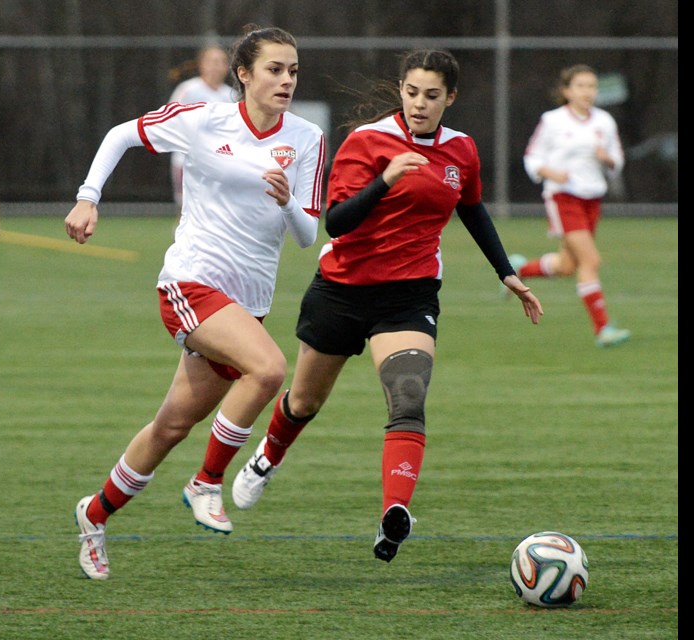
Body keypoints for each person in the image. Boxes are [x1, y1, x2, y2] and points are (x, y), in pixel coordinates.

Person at [230, 49, 543, 564]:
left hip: (409, 296)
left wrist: (506, 272)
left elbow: (472, 208)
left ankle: (394, 514)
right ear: (401, 89)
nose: (420, 105)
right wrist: (387, 180)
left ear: (451, 98)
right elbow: (337, 223)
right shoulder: (367, 141)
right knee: (304, 402)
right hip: (342, 290)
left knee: (409, 397)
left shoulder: (461, 150)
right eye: (413, 92)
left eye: (433, 96)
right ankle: (267, 457)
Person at [65, 25, 326, 580]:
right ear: (245, 75)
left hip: (246, 303)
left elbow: (307, 233)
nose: (286, 79)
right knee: (269, 368)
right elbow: (120, 135)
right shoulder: (203, 120)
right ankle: (206, 482)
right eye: (275, 69)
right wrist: (89, 199)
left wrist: (286, 203)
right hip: (191, 282)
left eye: (294, 70)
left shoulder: (306, 137)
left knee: (170, 427)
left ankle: (94, 513)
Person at [511, 64, 629, 348]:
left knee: (567, 266)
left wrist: (608, 159)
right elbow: (532, 158)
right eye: (581, 86)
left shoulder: (604, 122)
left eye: (592, 86)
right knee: (591, 261)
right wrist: (551, 173)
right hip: (563, 197)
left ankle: (519, 272)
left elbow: (617, 160)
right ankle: (603, 329)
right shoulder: (552, 121)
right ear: (566, 91)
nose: (588, 91)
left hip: (591, 199)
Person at [167, 45, 236, 217]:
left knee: (217, 209)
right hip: (187, 159)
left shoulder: (232, 96)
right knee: (186, 209)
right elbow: (169, 118)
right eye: (213, 61)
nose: (217, 66)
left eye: (222, 62)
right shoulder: (188, 89)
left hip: (220, 161)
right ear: (202, 65)